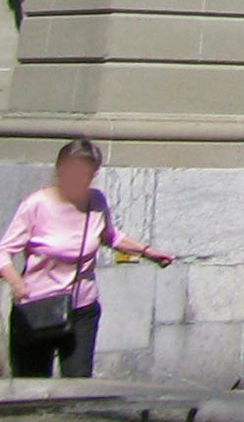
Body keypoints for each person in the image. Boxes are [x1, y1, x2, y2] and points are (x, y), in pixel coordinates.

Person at [3, 139, 171, 378]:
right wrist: (17, 283)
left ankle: (68, 417)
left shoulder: (96, 201)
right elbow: (4, 251)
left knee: (77, 381)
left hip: (82, 307)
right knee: (34, 385)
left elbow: (110, 236)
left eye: (88, 174)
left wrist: (146, 251)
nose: (82, 180)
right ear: (60, 170)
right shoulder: (36, 205)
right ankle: (42, 418)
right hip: (38, 306)